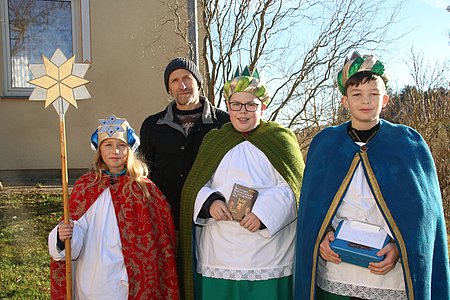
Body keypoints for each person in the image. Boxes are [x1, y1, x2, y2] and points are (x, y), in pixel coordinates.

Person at [294, 52, 450, 300]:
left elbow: (423, 218)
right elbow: (311, 211)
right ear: (345, 101)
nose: (365, 101)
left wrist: (400, 248)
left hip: (390, 273)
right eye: (356, 94)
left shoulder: (407, 143)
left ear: (385, 99)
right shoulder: (325, 144)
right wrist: (320, 238)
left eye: (374, 94)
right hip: (337, 271)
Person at [179, 66, 305, 300]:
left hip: (268, 252)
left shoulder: (281, 139)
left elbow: (294, 189)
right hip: (219, 250)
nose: (243, 111)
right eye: (236, 104)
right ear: (228, 107)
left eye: (251, 105)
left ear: (263, 107)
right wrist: (211, 203)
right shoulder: (215, 140)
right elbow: (195, 186)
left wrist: (263, 214)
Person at [48, 114, 179, 299]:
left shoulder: (145, 189)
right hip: (95, 276)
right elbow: (76, 229)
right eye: (108, 145)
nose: (115, 151)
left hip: (133, 278)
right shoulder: (86, 186)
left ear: (130, 150)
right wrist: (63, 236)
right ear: (99, 149)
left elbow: (160, 240)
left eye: (121, 145)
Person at [139, 57, 229, 230]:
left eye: (187, 78)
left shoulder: (223, 122)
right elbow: (143, 172)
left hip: (211, 219)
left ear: (198, 82)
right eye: (175, 80)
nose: (182, 86)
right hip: (165, 219)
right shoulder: (152, 125)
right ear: (169, 88)